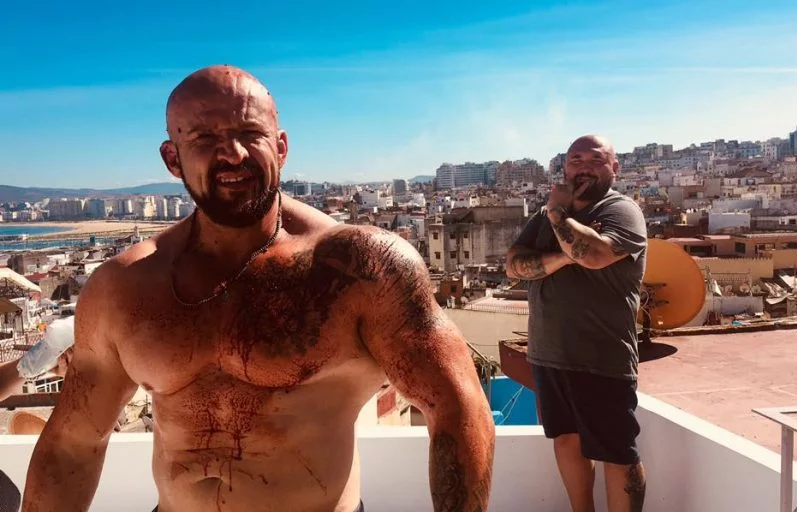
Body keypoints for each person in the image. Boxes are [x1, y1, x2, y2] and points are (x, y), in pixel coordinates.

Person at [23, 65, 495, 512]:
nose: (233, 153)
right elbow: (73, 443)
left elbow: (457, 407)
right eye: (204, 138)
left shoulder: (358, 268)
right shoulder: (124, 287)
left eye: (250, 133)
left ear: (281, 147)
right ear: (172, 158)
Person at [505, 135, 648, 512]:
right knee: (566, 440)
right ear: (565, 167)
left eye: (595, 160)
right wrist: (565, 256)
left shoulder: (621, 211)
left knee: (618, 453)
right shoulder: (543, 217)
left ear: (614, 168)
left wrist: (558, 215)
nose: (583, 167)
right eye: (575, 160)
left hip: (601, 356)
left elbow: (595, 255)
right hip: (549, 353)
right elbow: (514, 265)